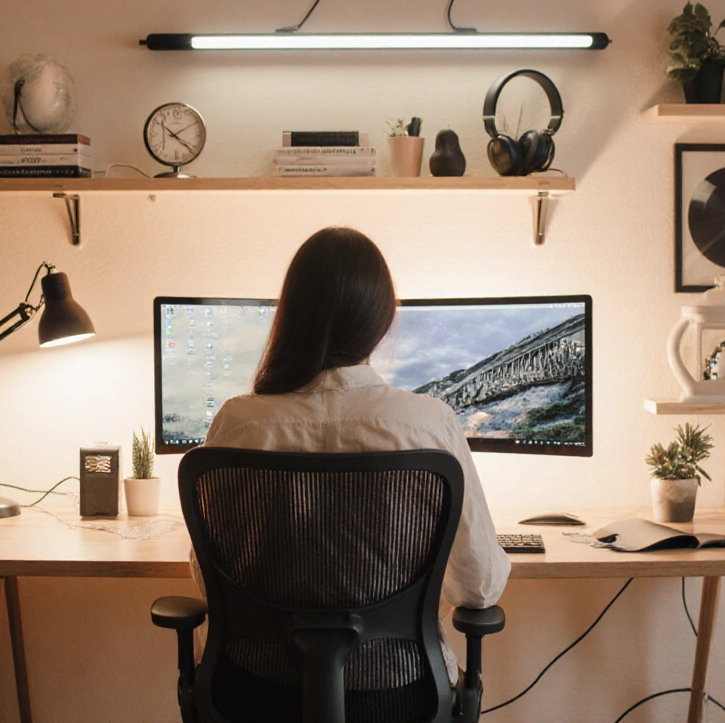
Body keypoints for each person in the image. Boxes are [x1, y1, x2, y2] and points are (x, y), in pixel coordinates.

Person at [191, 225, 510, 684]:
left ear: (292, 316)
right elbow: (479, 586)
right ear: (381, 321)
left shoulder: (239, 424)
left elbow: (210, 579)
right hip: (399, 692)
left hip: (257, 690)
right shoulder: (427, 425)